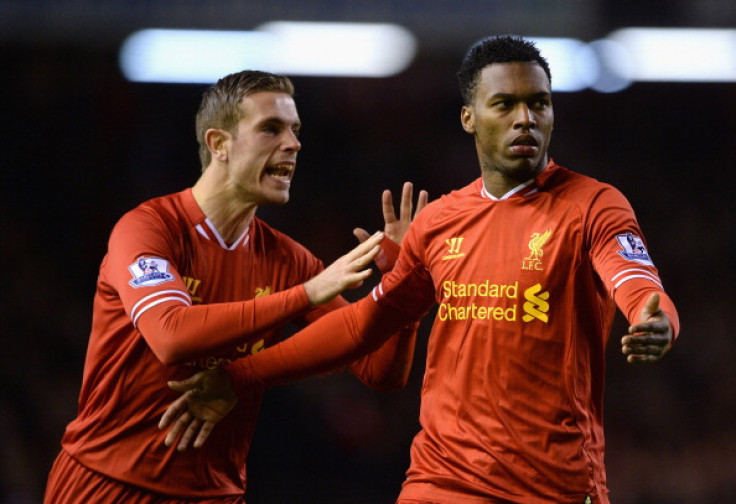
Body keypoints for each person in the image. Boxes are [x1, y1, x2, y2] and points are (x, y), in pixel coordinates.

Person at [164, 36, 681, 504]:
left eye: (538, 103)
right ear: (469, 118)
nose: (526, 118)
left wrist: (652, 321)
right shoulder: (437, 224)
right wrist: (240, 375)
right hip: (440, 482)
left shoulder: (593, 205)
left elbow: (636, 281)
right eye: (505, 104)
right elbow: (362, 327)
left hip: (550, 488)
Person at [44, 70, 427, 503]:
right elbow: (171, 336)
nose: (293, 143)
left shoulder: (287, 259)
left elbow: (380, 370)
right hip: (106, 483)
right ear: (218, 143)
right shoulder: (148, 229)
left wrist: (402, 287)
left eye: (295, 130)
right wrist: (305, 294)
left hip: (215, 494)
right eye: (271, 128)